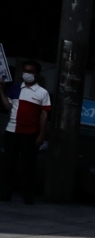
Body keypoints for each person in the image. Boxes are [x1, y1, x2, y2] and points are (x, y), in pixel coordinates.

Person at [0, 60, 50, 204]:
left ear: (37, 74)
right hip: (12, 131)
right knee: (8, 164)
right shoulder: (15, 88)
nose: (27, 74)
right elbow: (7, 106)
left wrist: (41, 134)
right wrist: (1, 91)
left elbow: (44, 115)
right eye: (25, 71)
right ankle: (5, 193)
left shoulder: (42, 93)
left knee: (29, 167)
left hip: (30, 134)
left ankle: (28, 196)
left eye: (31, 71)